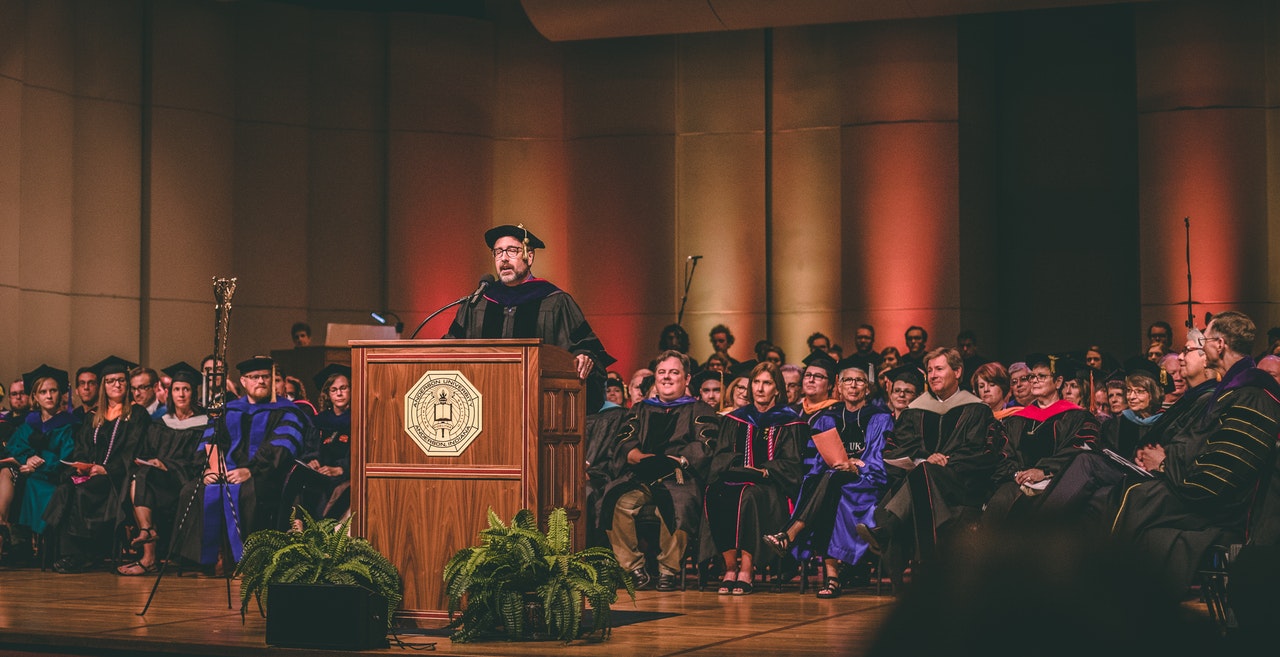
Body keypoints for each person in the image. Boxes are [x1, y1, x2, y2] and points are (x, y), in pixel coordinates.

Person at [1112, 311, 1280, 590]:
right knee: (1121, 491)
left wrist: (1166, 463)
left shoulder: (1253, 397)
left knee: (1137, 498)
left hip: (1219, 506)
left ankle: (1113, 597)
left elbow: (1218, 477)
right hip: (1191, 486)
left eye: (1206, 338)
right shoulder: (1231, 391)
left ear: (1220, 344)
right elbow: (1193, 446)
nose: (1202, 345)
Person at [857, 348, 1005, 572]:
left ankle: (886, 529)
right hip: (921, 480)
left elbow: (984, 452)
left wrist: (946, 460)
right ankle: (926, 565)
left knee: (923, 474)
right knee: (923, 473)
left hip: (960, 483)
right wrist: (924, 459)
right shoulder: (914, 411)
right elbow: (894, 450)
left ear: (957, 372)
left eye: (939, 369)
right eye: (929, 370)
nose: (932, 375)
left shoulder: (977, 410)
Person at [445, 224, 615, 412]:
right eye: (498, 252)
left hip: (540, 409)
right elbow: (450, 347)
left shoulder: (555, 302)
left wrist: (585, 356)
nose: (503, 258)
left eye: (512, 251)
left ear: (530, 256)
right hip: (484, 407)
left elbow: (586, 347)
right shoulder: (477, 303)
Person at [764, 360, 892, 598]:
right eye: (847, 380)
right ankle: (831, 576)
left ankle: (793, 535)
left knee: (829, 489)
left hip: (864, 484)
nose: (853, 386)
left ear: (867, 387)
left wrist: (856, 467)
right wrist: (838, 465)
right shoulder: (827, 417)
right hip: (833, 480)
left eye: (859, 381)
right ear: (839, 387)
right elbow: (818, 459)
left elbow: (878, 457)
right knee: (827, 484)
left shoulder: (880, 417)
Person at [173, 356, 309, 567]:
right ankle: (205, 559)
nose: (261, 381)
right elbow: (210, 440)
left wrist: (250, 470)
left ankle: (243, 559)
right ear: (243, 381)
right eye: (254, 377)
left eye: (265, 376)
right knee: (191, 490)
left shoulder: (287, 412)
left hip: (265, 475)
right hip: (225, 471)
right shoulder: (229, 410)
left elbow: (281, 449)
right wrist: (211, 468)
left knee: (248, 492)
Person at [598, 351, 714, 591]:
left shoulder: (699, 409)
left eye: (674, 372)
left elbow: (706, 444)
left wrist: (677, 459)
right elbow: (623, 441)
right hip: (642, 475)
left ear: (686, 378)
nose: (667, 377)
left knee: (680, 507)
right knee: (613, 500)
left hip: (678, 477)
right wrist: (638, 457)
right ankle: (633, 567)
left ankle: (667, 569)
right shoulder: (641, 409)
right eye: (662, 372)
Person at [703, 362, 806, 595]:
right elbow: (721, 455)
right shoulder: (736, 418)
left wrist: (766, 471)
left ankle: (747, 569)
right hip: (736, 479)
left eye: (767, 383)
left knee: (748, 496)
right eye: (756, 382)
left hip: (772, 487)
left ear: (777, 389)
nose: (760, 388)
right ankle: (730, 568)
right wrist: (738, 465)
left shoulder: (790, 421)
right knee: (715, 492)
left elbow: (792, 463)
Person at [46, 356, 149, 573]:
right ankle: (65, 554)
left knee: (83, 492)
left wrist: (107, 469)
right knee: (64, 490)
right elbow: (83, 446)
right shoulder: (94, 416)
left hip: (116, 477)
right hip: (92, 473)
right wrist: (82, 465)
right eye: (111, 381)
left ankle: (85, 554)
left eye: (121, 380)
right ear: (104, 385)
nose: (117, 385)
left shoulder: (137, 414)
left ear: (127, 383)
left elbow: (133, 450)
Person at [984, 354, 1099, 524]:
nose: (1035, 381)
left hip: (1058, 483)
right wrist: (1017, 474)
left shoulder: (1078, 418)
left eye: (1042, 376)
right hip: (1018, 483)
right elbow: (1003, 453)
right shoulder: (1017, 419)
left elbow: (1082, 451)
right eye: (1032, 377)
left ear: (1058, 382)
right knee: (1001, 505)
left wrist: (1044, 472)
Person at [116, 362, 207, 576]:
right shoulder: (160, 423)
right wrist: (151, 462)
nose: (181, 394)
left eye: (186, 389)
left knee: (143, 478)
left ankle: (147, 545)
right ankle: (147, 538)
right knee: (140, 474)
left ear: (193, 392)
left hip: (183, 482)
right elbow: (146, 451)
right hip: (157, 481)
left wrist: (167, 465)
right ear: (170, 392)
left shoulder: (204, 423)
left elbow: (199, 462)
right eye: (177, 389)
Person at [0, 365, 77, 566]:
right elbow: (17, 446)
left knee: (36, 486)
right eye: (43, 392)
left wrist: (37, 465)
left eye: (53, 391)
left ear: (61, 394)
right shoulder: (31, 422)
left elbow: (66, 456)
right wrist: (28, 459)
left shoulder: (69, 423)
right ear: (35, 396)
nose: (49, 396)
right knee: (21, 483)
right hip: (32, 474)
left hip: (56, 477)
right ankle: (20, 545)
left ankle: (48, 547)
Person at [280, 364, 352, 524]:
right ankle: (289, 526)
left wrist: (341, 469)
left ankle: (320, 532)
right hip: (320, 472)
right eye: (334, 390)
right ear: (327, 394)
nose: (339, 393)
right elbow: (310, 447)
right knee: (297, 474)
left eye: (344, 388)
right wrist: (312, 460)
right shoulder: (319, 420)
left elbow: (361, 452)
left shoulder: (358, 420)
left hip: (342, 475)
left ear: (351, 390)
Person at [1099, 360, 1163, 459]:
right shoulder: (1114, 425)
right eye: (1129, 390)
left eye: (1139, 391)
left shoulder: (1165, 423)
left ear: (1153, 394)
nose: (1131, 397)